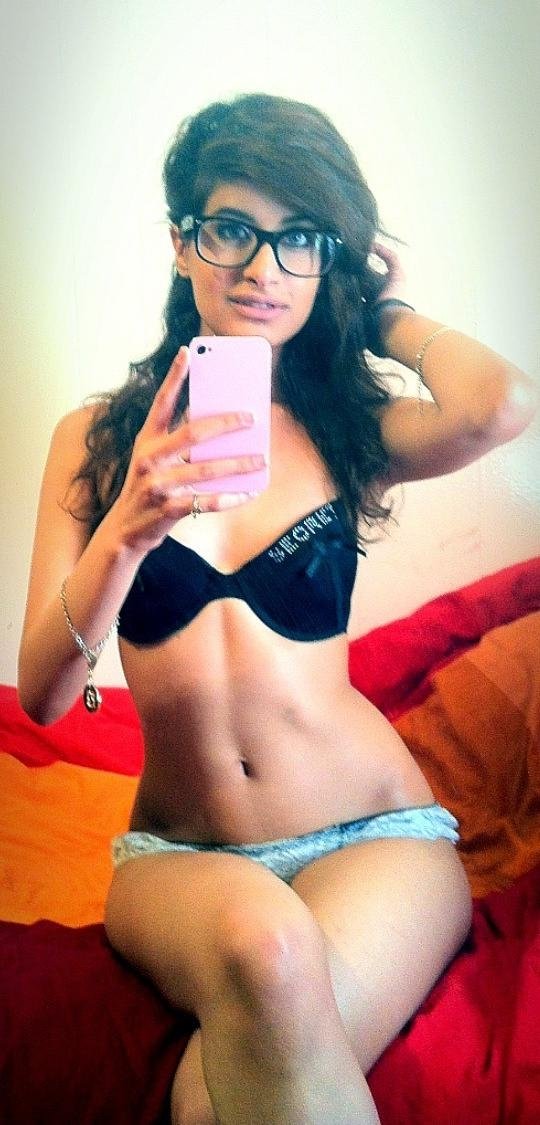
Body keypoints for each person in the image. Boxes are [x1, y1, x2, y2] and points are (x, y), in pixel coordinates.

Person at [18, 93, 536, 1125]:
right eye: (232, 230)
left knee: (215, 1102)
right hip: (181, 860)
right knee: (263, 945)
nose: (263, 269)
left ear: (327, 258)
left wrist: (379, 312)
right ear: (181, 243)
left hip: (376, 837)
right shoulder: (96, 442)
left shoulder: (349, 429)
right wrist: (127, 530)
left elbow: (501, 403)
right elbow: (43, 697)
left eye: (300, 238)